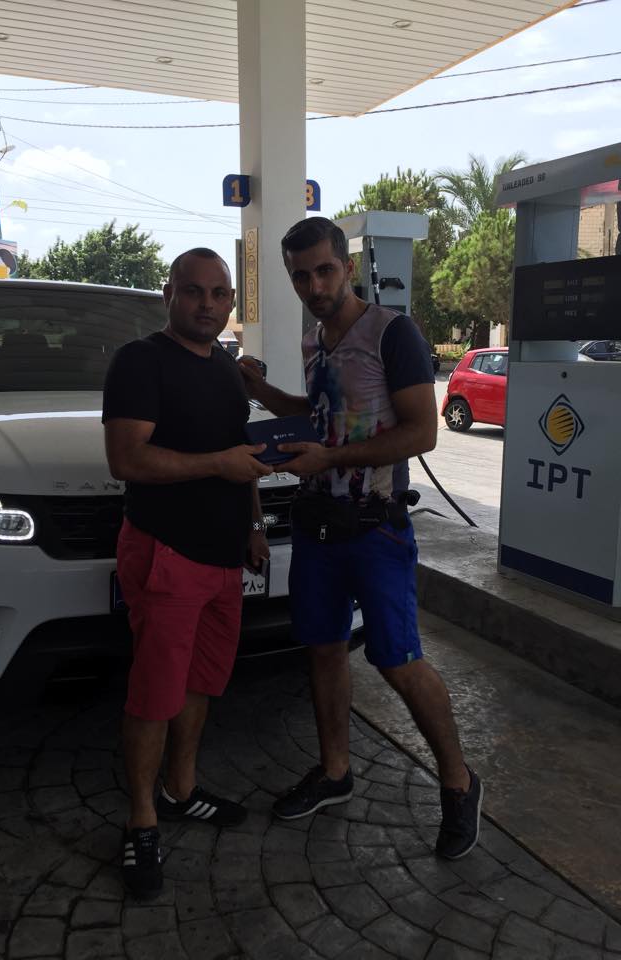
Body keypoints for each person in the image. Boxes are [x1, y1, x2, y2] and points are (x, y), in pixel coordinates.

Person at [239, 217, 482, 860]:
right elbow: (322, 417)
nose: (315, 286)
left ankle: (459, 783)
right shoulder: (314, 340)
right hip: (317, 528)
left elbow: (422, 433)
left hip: (377, 528)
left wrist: (332, 459)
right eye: (301, 276)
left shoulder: (392, 333)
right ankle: (335, 772)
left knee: (398, 660)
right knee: (322, 650)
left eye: (325, 270)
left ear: (347, 267)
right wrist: (262, 391)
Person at [103, 247, 272, 900]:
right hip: (166, 552)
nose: (208, 304)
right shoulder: (140, 361)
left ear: (230, 302)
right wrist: (216, 466)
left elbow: (242, 454)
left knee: (201, 682)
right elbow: (127, 459)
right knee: (154, 693)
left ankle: (181, 790)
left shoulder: (228, 369)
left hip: (225, 554)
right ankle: (142, 819)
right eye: (194, 291)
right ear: (169, 294)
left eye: (219, 293)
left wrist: (254, 524)